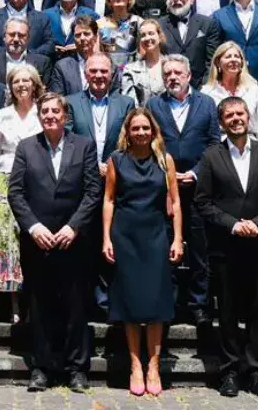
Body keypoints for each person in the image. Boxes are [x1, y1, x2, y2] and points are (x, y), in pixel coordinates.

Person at [10, 93, 103, 393]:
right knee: (39, 306)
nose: (50, 115)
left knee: (76, 305)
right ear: (39, 116)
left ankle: (77, 368)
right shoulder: (27, 147)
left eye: (55, 111)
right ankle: (41, 368)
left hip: (73, 241)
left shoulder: (84, 146)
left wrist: (74, 227)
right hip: (37, 241)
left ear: (65, 116)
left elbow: (93, 191)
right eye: (45, 111)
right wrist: (33, 227)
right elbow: (15, 193)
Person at [195, 97, 258, 398]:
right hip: (226, 245)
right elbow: (203, 202)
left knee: (257, 309)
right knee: (228, 310)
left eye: (240, 113)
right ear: (221, 122)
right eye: (229, 115)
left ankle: (256, 370)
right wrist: (233, 224)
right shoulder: (211, 156)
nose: (236, 119)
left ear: (248, 117)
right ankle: (230, 370)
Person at [100, 106, 178, 397]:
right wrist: (106, 238)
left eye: (146, 128)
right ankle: (135, 364)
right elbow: (109, 200)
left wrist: (178, 238)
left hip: (156, 234)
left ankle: (153, 366)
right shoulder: (116, 160)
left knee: (156, 302)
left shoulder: (164, 160)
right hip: (125, 235)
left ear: (153, 130)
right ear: (128, 132)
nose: (141, 132)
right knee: (130, 302)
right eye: (136, 128)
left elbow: (175, 202)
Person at [145, 55, 221, 327]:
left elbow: (214, 143)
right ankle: (169, 302)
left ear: (189, 75)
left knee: (200, 249)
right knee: (166, 248)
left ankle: (199, 305)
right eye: (167, 74)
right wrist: (166, 173)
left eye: (178, 73)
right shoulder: (153, 105)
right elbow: (149, 143)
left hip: (198, 188)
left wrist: (196, 172)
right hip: (165, 189)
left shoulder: (206, 103)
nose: (172, 77)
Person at [0, 65, 42, 315]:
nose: (21, 85)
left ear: (35, 84)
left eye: (26, 80)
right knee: (9, 241)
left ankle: (35, 301)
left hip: (38, 179)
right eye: (16, 81)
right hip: (7, 179)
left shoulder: (43, 111)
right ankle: (14, 305)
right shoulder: (3, 114)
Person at [201, 42, 258, 146]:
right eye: (228, 57)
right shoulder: (207, 93)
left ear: (242, 62)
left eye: (237, 56)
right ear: (218, 62)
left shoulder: (253, 90)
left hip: (251, 145)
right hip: (220, 146)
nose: (233, 59)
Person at [160, 0, 224, 86]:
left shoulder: (207, 24)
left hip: (200, 86)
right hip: (168, 85)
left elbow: (212, 61)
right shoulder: (160, 25)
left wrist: (205, 86)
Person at [0, 18, 53, 84]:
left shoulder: (43, 63)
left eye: (21, 35)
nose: (16, 39)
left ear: (28, 38)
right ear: (4, 37)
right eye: (12, 35)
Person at [120, 18, 166, 105]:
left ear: (160, 36)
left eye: (151, 33)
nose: (147, 38)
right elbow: (130, 103)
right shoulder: (131, 70)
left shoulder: (171, 66)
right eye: (143, 35)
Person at [98, 0, 143, 67]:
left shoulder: (139, 22)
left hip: (132, 71)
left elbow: (143, 53)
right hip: (107, 71)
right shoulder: (99, 24)